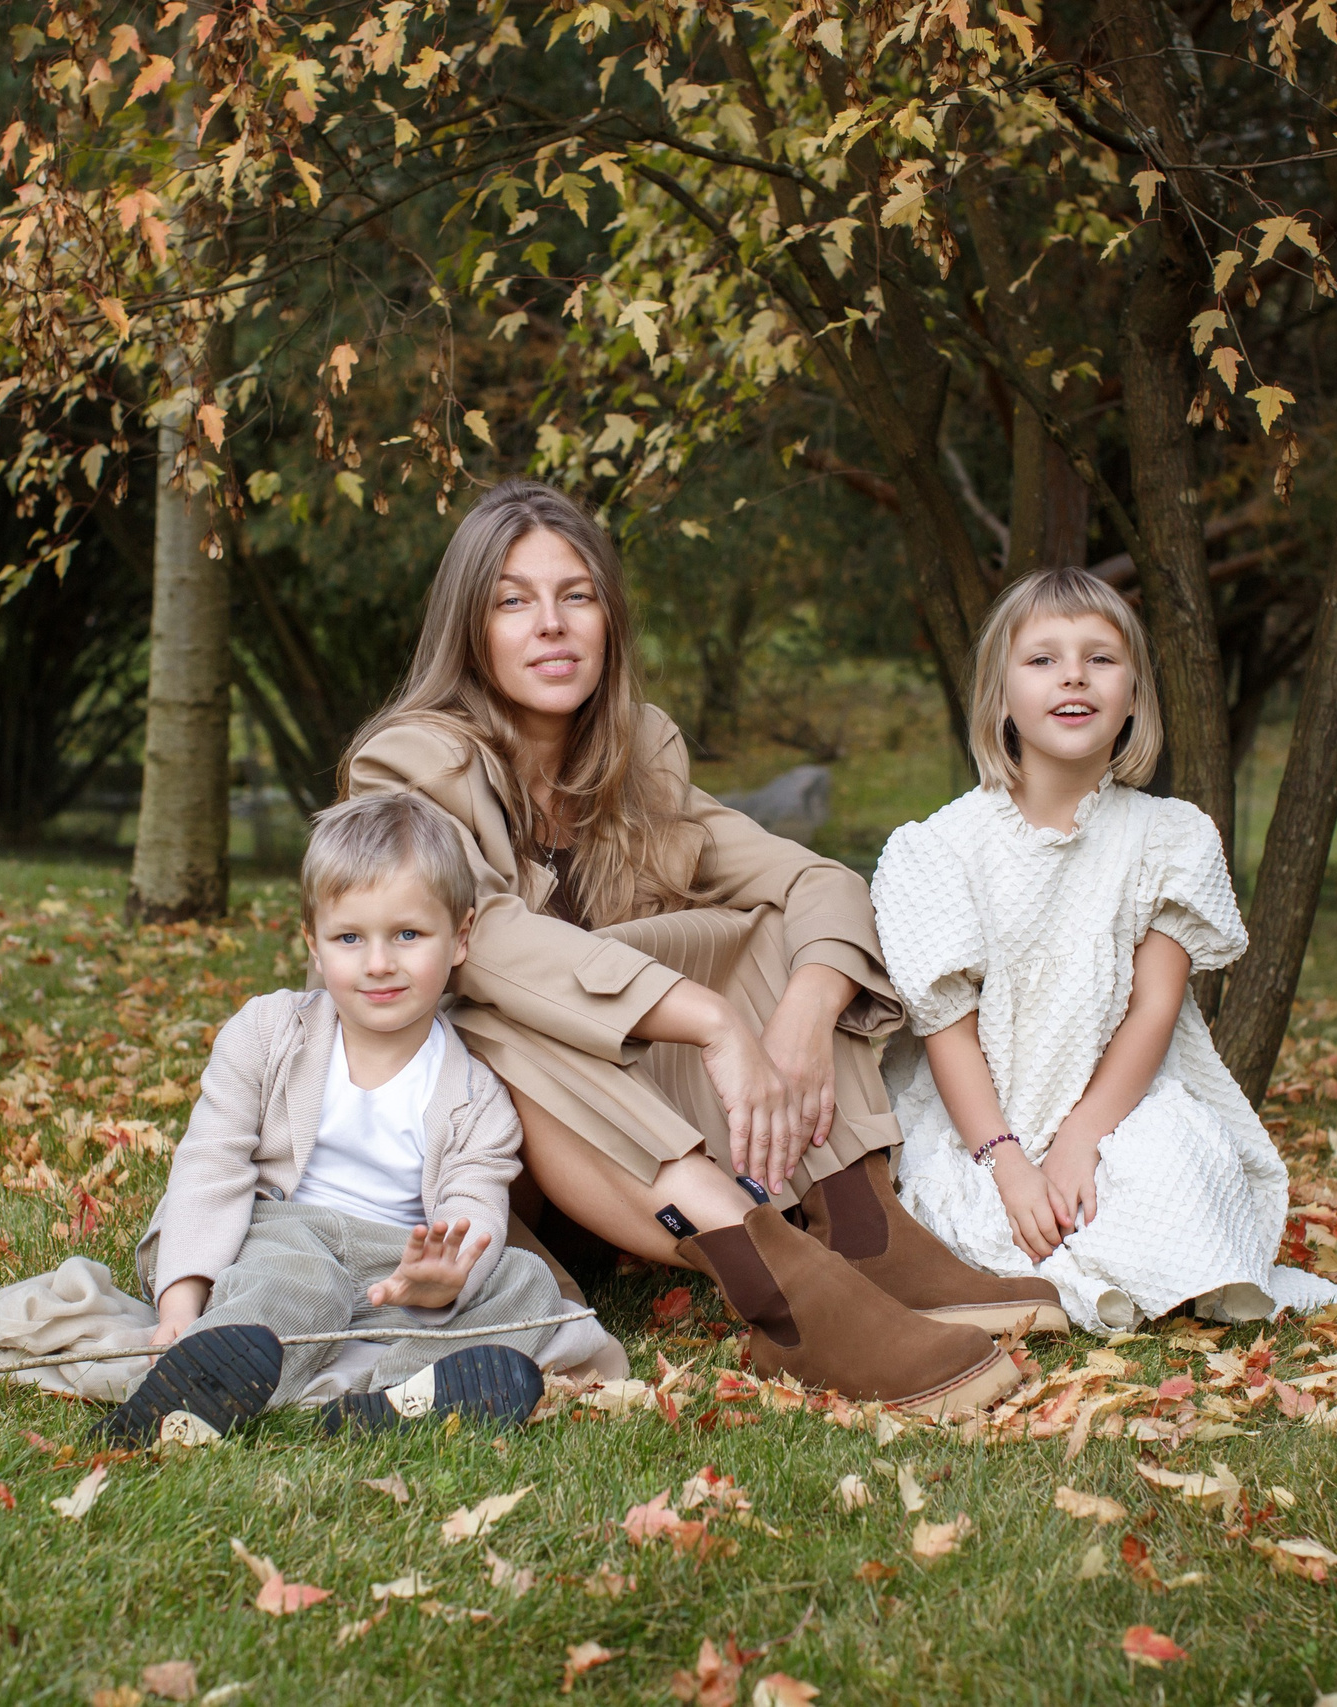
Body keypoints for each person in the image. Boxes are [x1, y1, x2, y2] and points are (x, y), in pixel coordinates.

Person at [339, 481, 1063, 1418]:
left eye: (578, 595)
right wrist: (715, 1022)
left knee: (775, 931)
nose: (551, 626)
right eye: (513, 601)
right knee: (500, 1004)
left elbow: (818, 882)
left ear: (609, 617)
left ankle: (861, 1224)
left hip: (620, 1139)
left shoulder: (637, 752)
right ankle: (772, 1282)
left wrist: (802, 1014)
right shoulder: (406, 761)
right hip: (483, 1137)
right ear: (469, 631)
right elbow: (487, 944)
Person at [869, 566, 1337, 1332]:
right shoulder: (939, 850)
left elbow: (1155, 1004)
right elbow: (946, 1028)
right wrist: (1010, 1159)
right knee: (970, 1216)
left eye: (1101, 657)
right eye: (1042, 659)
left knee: (1176, 1171)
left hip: (1118, 1106)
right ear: (1000, 697)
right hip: (983, 1117)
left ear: (1134, 695)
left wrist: (1081, 1141)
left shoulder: (1170, 836)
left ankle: (1109, 1269)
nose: (1073, 675)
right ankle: (1040, 1276)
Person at [99, 791, 591, 1444]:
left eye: (408, 934)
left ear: (461, 937)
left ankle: (399, 1394)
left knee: (523, 1278)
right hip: (278, 1233)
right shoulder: (268, 1031)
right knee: (302, 1281)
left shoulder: (476, 1091)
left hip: (395, 1265)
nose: (379, 962)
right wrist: (180, 1304)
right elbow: (209, 1165)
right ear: (313, 940)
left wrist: (445, 1278)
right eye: (350, 937)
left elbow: (474, 1202)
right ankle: (202, 1377)